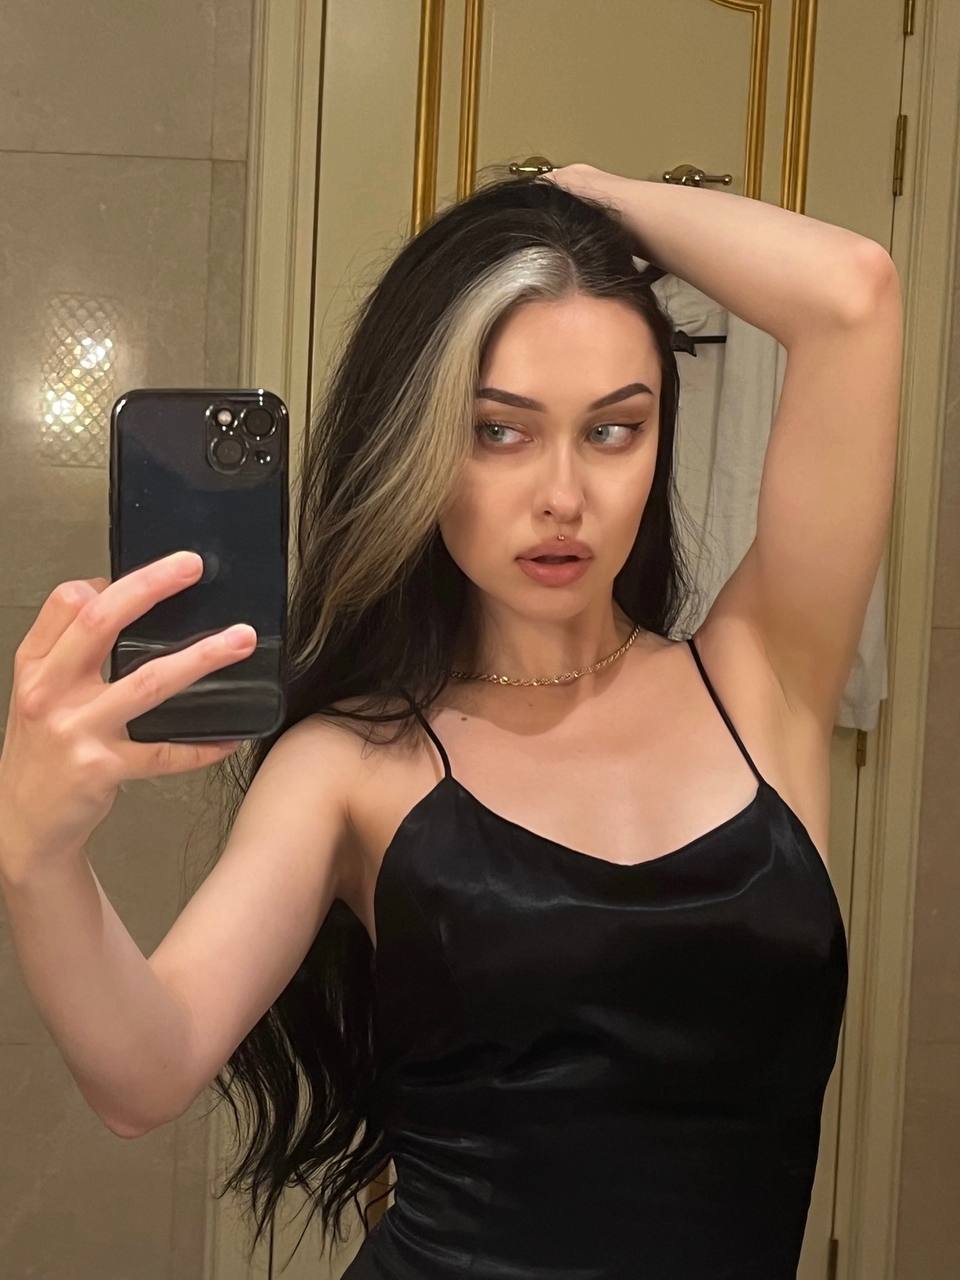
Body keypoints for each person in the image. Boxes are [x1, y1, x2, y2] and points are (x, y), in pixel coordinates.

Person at [0, 164, 901, 1279]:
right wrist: (37, 853)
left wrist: (575, 193)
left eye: (614, 430)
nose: (563, 495)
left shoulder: (764, 680)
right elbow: (143, 1077)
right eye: (499, 432)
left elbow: (853, 294)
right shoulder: (353, 763)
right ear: (419, 444)